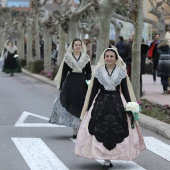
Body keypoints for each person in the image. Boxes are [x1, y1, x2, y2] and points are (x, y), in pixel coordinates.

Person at [75, 47, 145, 170]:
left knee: (116, 130)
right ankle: (106, 160)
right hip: (101, 102)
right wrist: (89, 107)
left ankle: (112, 157)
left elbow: (126, 91)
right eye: (107, 56)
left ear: (116, 58)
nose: (109, 58)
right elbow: (93, 91)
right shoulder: (98, 71)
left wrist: (130, 106)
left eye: (111, 56)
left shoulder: (121, 72)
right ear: (104, 57)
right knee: (100, 130)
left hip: (117, 103)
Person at [49, 38, 92, 138]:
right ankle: (74, 130)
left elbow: (89, 72)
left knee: (81, 105)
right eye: (76, 45)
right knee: (71, 103)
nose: (78, 46)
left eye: (79, 45)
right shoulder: (68, 57)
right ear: (72, 46)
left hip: (82, 82)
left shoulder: (86, 57)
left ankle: (80, 127)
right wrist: (62, 85)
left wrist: (89, 83)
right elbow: (64, 72)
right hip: (71, 82)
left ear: (81, 46)